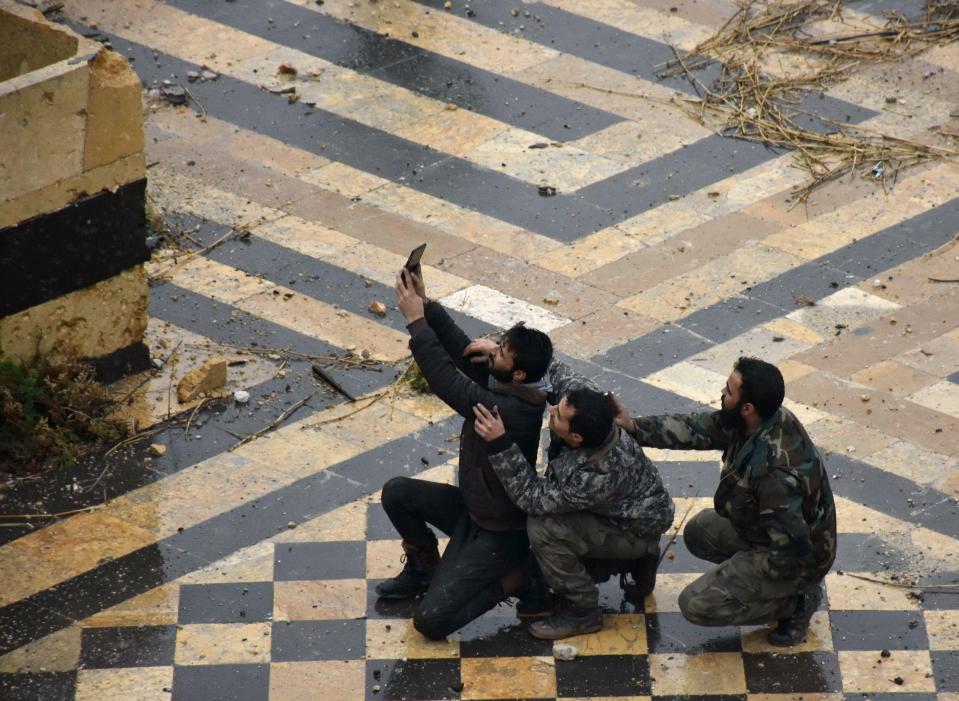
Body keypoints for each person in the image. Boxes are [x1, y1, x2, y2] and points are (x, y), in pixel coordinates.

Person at [377, 268, 554, 640]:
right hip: (472, 512)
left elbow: (445, 380)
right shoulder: (509, 383)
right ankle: (424, 567)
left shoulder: (509, 409)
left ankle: (518, 576)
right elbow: (463, 353)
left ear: (519, 374)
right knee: (397, 492)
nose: (493, 349)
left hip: (498, 533)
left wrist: (415, 323)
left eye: (501, 351)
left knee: (431, 622)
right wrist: (427, 305)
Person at [616, 356, 836, 646]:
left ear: (747, 408)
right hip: (766, 531)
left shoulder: (775, 475)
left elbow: (792, 551)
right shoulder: (760, 419)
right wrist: (634, 427)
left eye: (729, 391)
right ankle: (769, 584)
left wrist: (752, 577)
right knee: (700, 532)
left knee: (696, 604)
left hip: (796, 558)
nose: (722, 393)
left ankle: (796, 601)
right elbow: (696, 428)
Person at [468, 348, 673, 639]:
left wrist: (500, 444)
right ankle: (630, 563)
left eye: (559, 416)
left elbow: (532, 497)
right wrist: (504, 352)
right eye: (558, 407)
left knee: (544, 528)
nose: (551, 410)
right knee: (555, 519)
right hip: (621, 507)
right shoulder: (584, 401)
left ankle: (584, 610)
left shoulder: (598, 474)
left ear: (576, 438)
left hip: (630, 528)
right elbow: (549, 363)